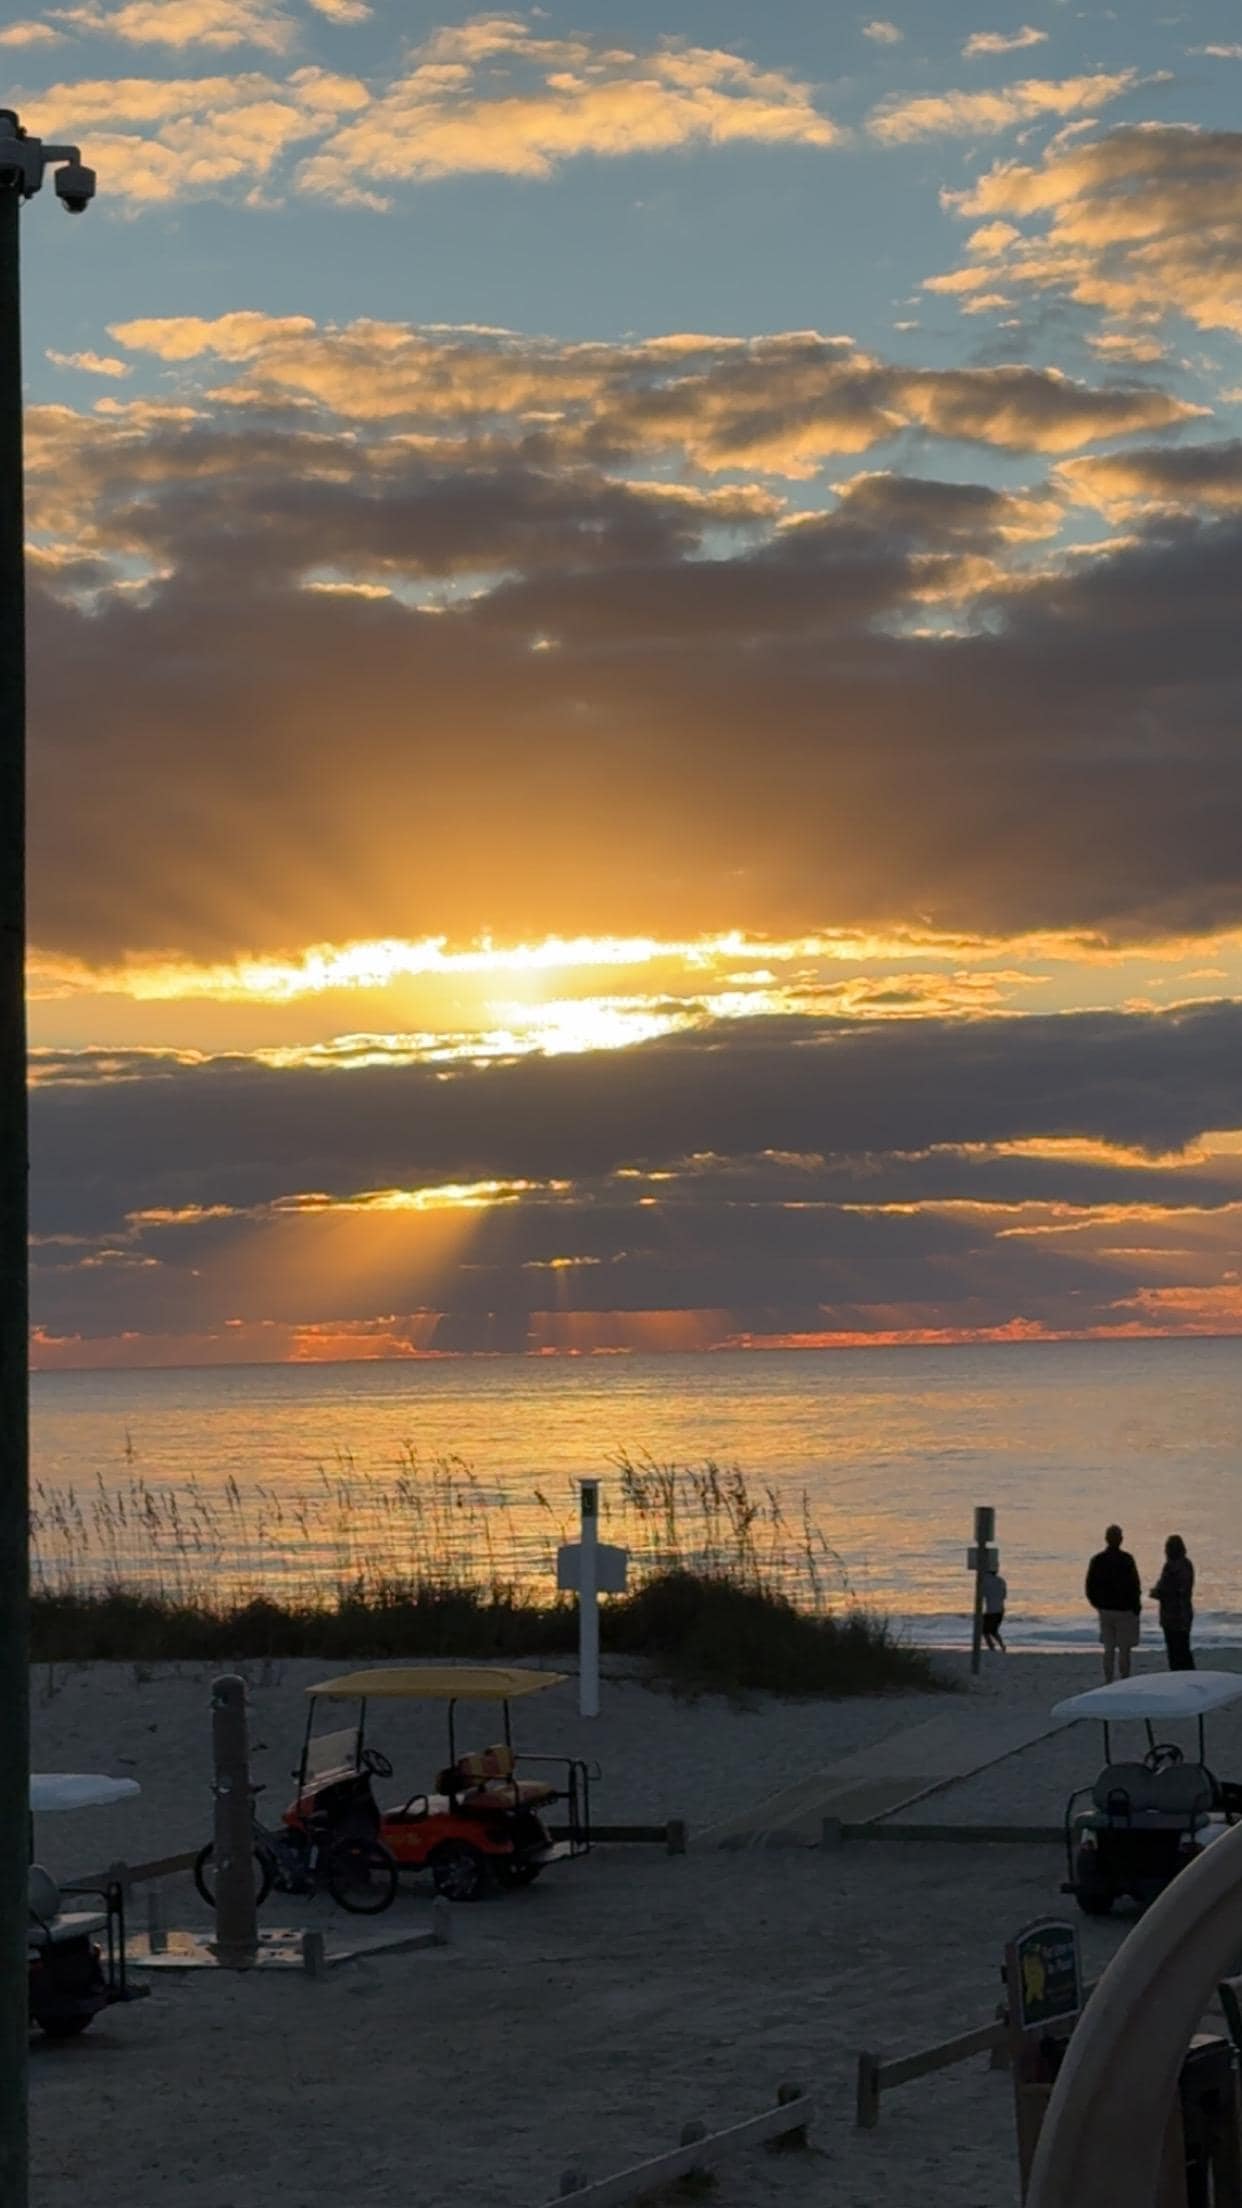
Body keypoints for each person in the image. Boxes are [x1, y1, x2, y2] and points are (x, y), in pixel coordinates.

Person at [1085, 1525, 1142, 1682]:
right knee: (1124, 1649)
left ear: (1106, 1539)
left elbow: (1090, 1586)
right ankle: (1124, 1678)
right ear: (1121, 1539)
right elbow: (1135, 1585)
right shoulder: (1127, 1559)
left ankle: (1109, 1678)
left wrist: (1097, 1604)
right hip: (1124, 1610)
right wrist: (1136, 1607)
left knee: (1109, 1648)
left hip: (1106, 1609)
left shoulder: (1098, 1560)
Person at [1150, 1535, 1195, 1671]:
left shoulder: (1170, 1567)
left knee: (1174, 1652)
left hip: (1171, 1615)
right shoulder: (1187, 1564)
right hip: (1184, 1613)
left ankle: (1179, 1676)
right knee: (1184, 1649)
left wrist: (1155, 1592)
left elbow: (1164, 1589)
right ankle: (1189, 1675)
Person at [981, 1567, 1007, 1652]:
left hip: (991, 1611)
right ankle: (1002, 1646)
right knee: (993, 1631)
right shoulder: (1001, 1581)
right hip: (1000, 1610)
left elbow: (982, 1594)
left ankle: (992, 1647)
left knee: (985, 1631)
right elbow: (1004, 1595)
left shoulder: (986, 1581)